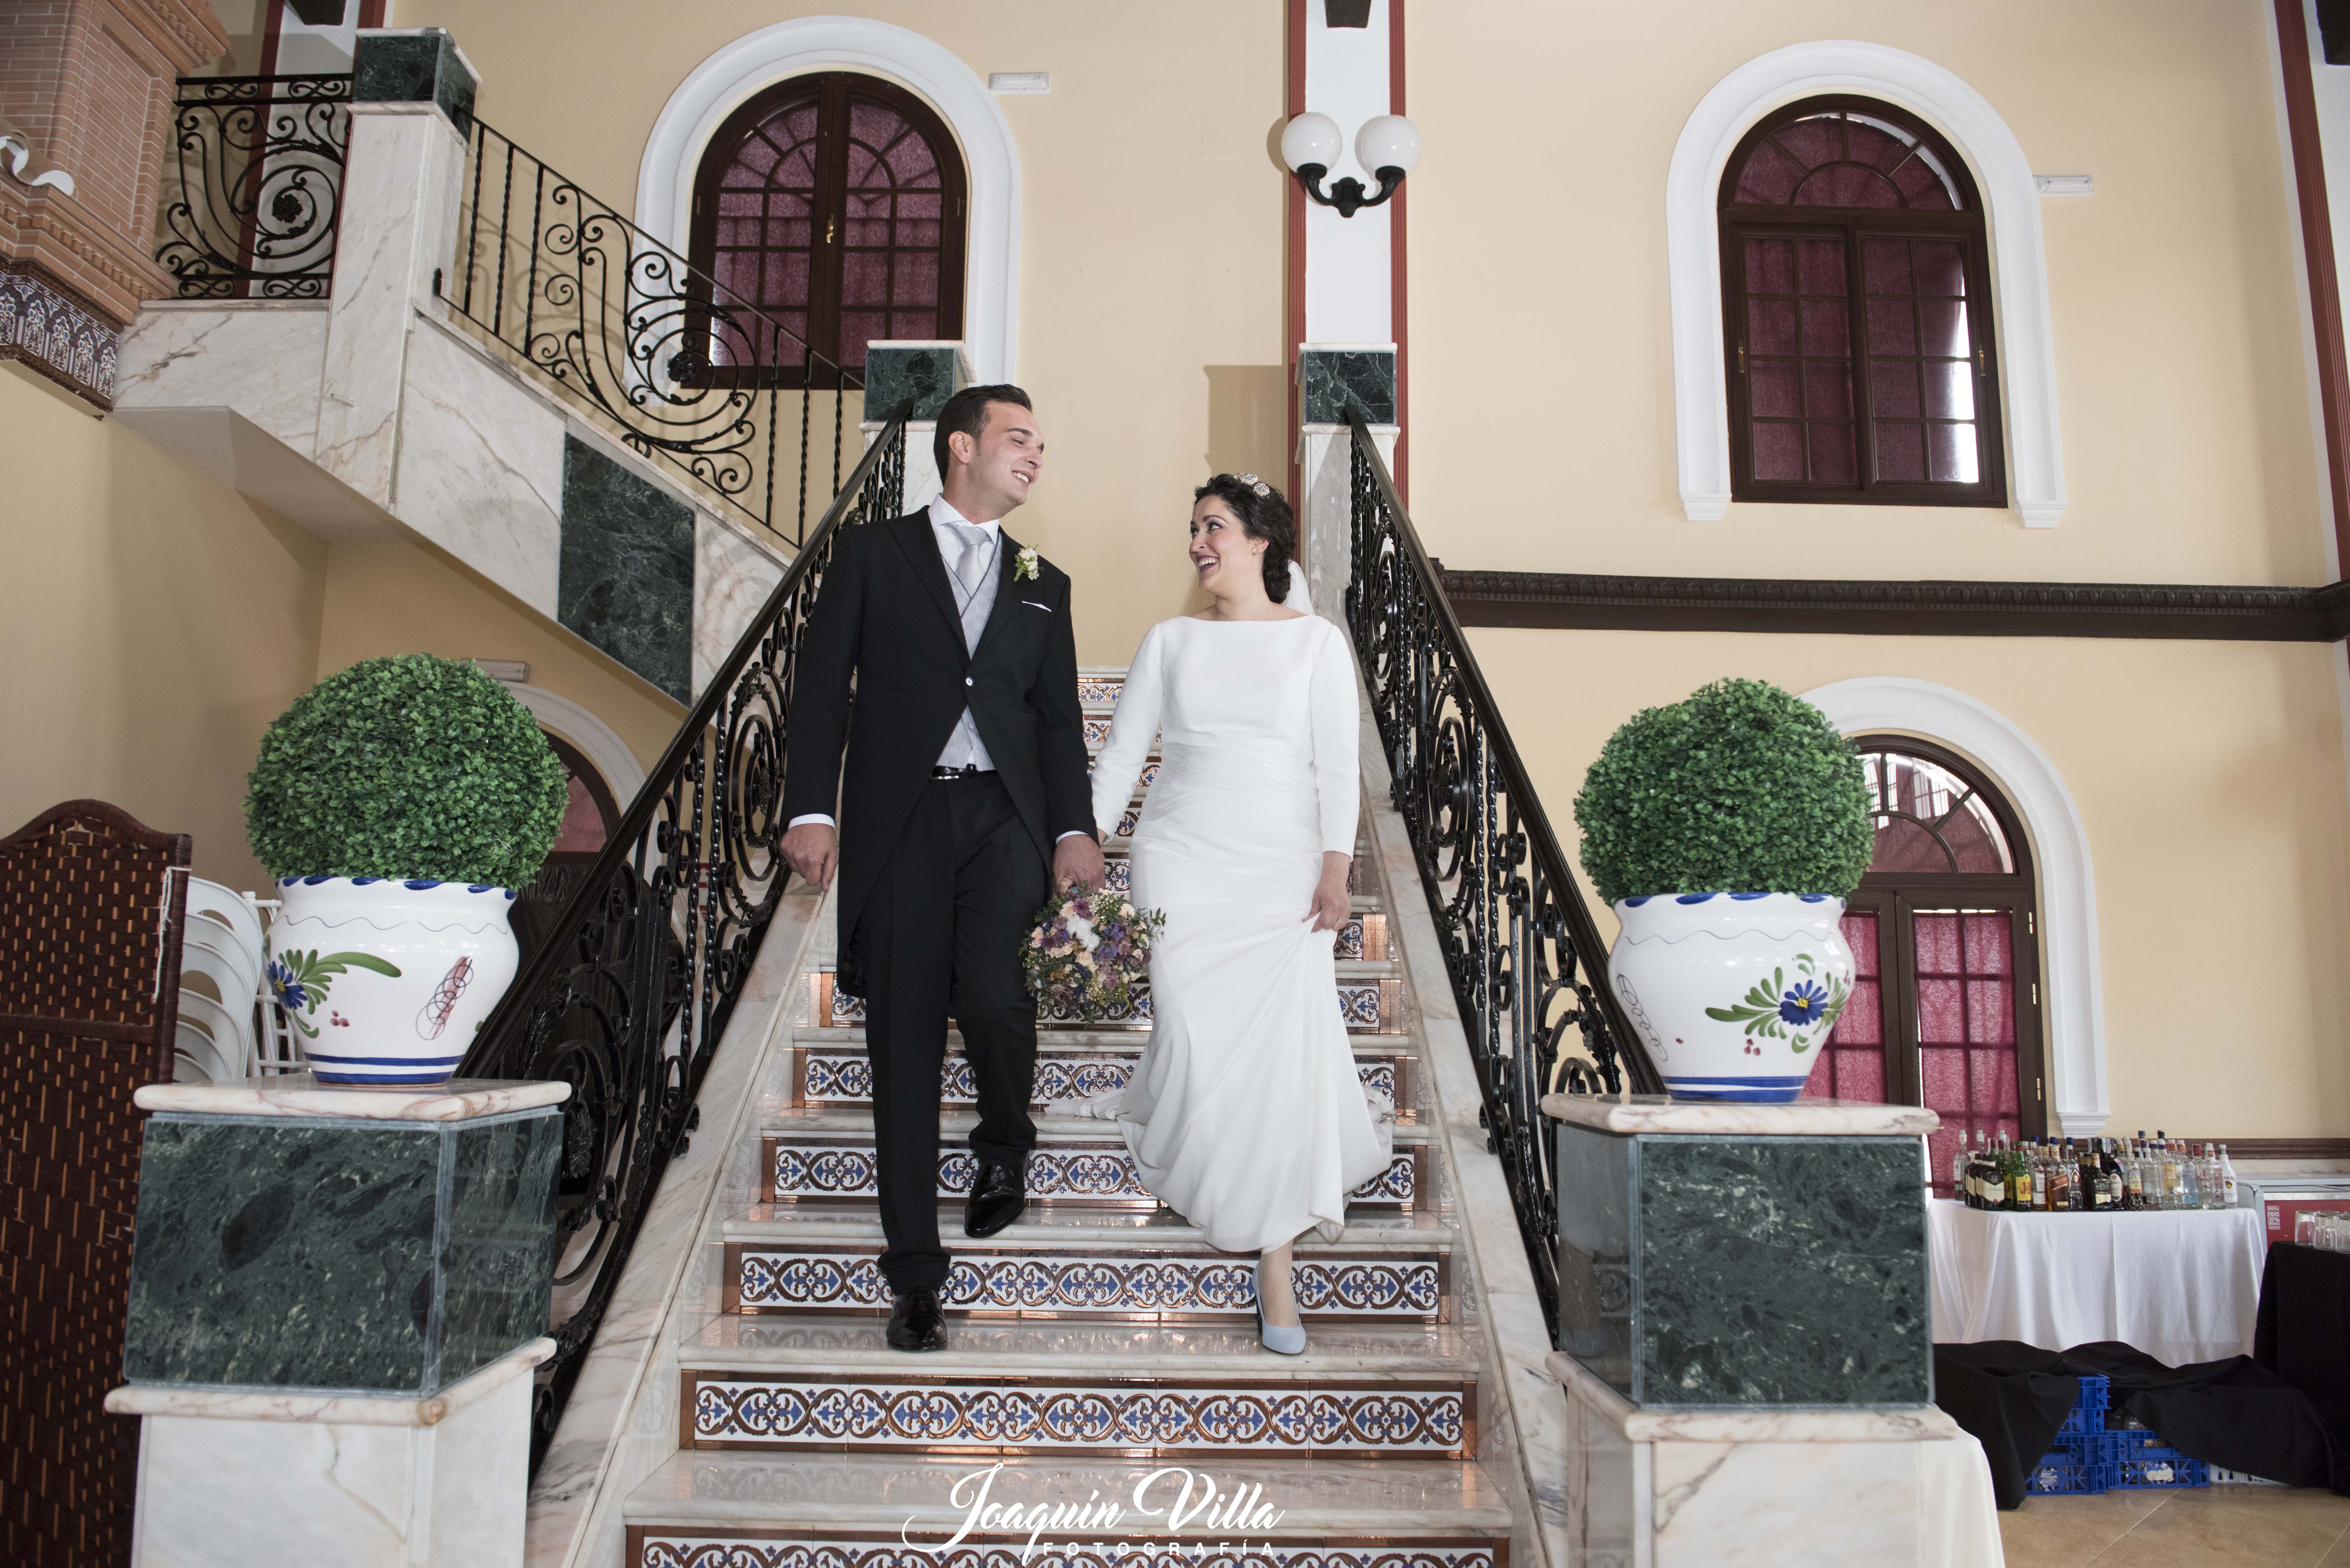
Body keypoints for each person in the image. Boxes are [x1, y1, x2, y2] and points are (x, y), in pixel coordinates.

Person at [779, 384, 1103, 1354]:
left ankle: (1005, 1143)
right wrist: (811, 807)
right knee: (905, 1041)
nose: (1035, 455)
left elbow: (1056, 722)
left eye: (1041, 443)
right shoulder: (872, 554)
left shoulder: (1046, 580)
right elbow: (820, 690)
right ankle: (915, 1276)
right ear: (962, 446)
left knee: (1000, 999)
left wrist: (1075, 829)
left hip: (1006, 818)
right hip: (904, 820)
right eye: (1019, 438)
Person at [1082, 472, 1393, 1355]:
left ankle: (1276, 1259)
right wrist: (1081, 848)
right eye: (1193, 528)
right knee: (1190, 1030)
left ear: (1260, 540)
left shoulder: (1317, 644)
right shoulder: (1171, 640)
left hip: (1281, 869)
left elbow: (1337, 766)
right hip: (1180, 859)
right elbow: (1121, 757)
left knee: (1279, 1053)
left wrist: (1335, 868)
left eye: (1212, 526)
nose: (1197, 543)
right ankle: (1213, 1164)